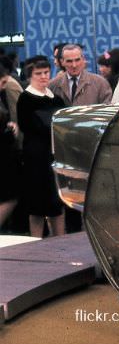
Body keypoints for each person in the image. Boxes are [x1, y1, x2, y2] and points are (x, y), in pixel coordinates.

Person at [16, 56, 66, 238]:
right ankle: (35, 244)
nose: (44, 76)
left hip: (55, 155)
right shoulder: (25, 99)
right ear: (30, 75)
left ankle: (61, 243)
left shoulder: (56, 99)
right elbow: (27, 126)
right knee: (36, 206)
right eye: (39, 73)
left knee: (57, 204)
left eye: (46, 72)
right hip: (36, 159)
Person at [0, 64, 21, 228]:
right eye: (2, 82)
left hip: (5, 154)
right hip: (3, 156)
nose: (4, 86)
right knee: (10, 198)